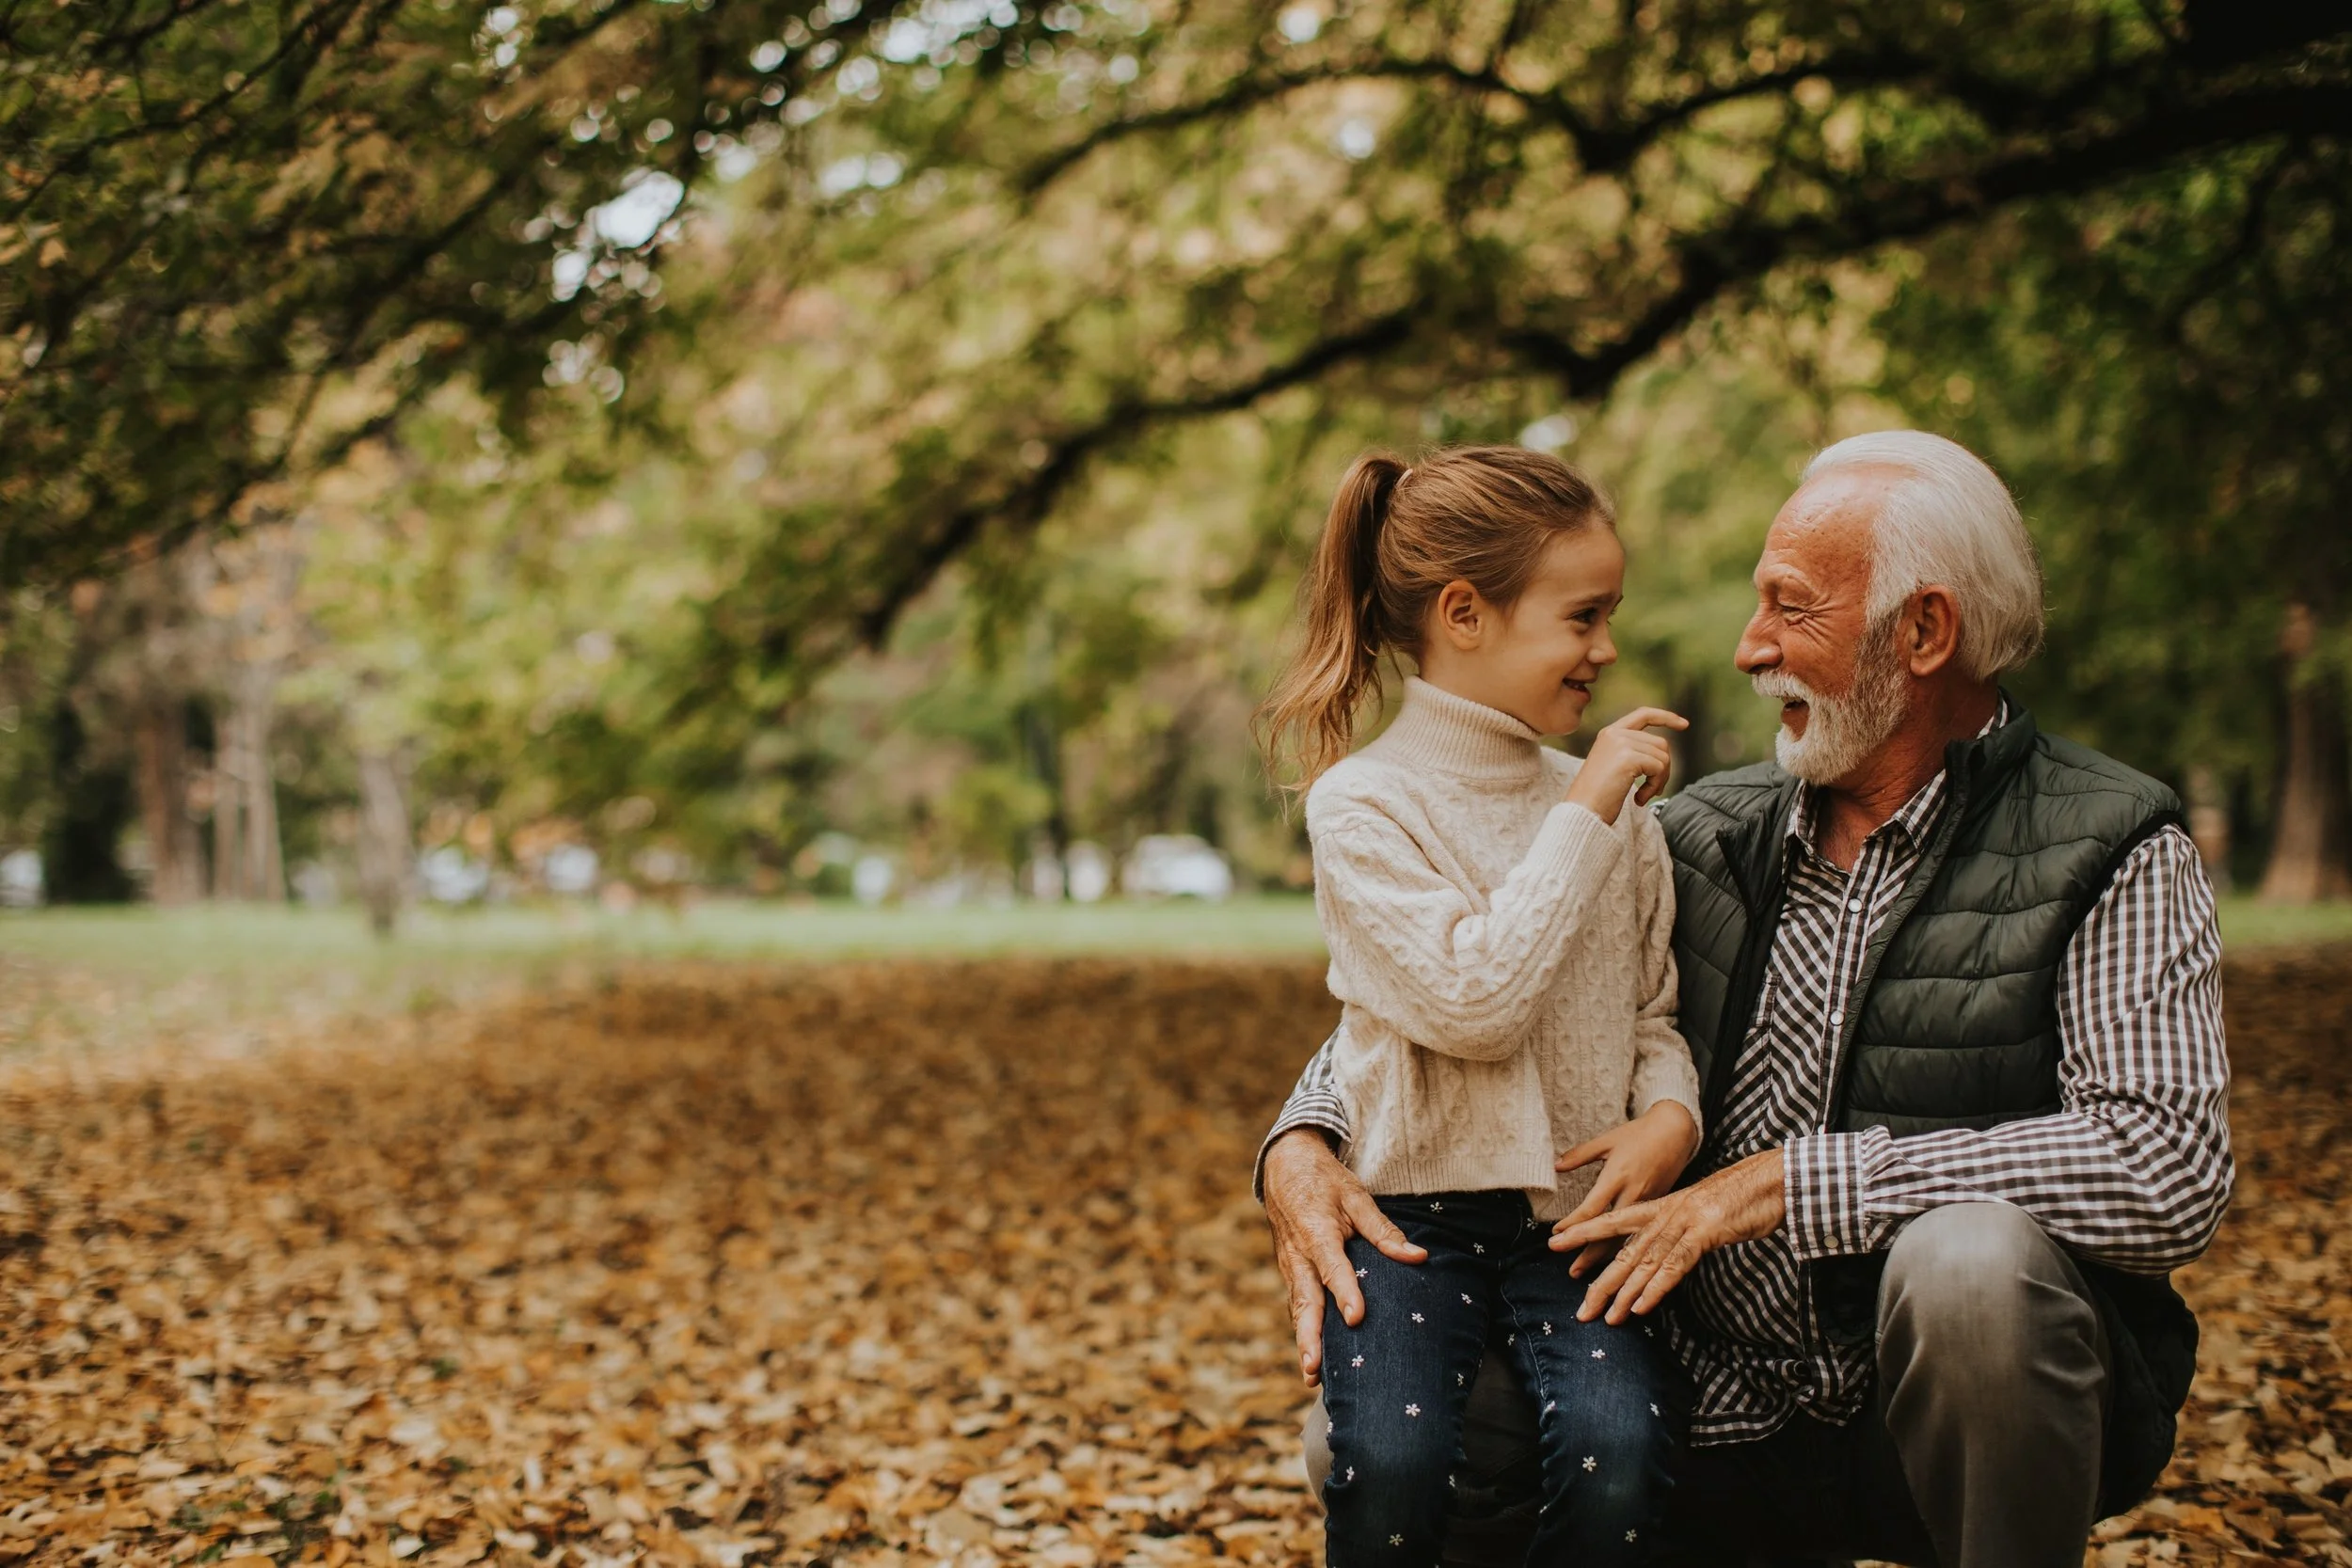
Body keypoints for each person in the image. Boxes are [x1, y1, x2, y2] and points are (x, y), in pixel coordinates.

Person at [1259, 431, 2233, 1568]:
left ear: (1922, 631)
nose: (1745, 647)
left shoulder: (2110, 843)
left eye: (1789, 606)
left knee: (1970, 1270)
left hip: (1917, 1421)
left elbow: (2166, 1167)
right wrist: (1302, 1137)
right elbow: (1462, 985)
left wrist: (1798, 1183)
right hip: (1694, 1393)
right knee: (1363, 1437)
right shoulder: (1691, 831)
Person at [1256, 446, 1708, 1566]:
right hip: (1412, 1223)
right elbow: (1474, 999)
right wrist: (1587, 806)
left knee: (1619, 1456)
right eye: (1581, 615)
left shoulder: (1619, 812)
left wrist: (1672, 1114)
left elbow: (1652, 1011)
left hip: (1576, 1225)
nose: (1605, 647)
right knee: (1395, 1472)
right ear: (1464, 612)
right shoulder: (1362, 804)